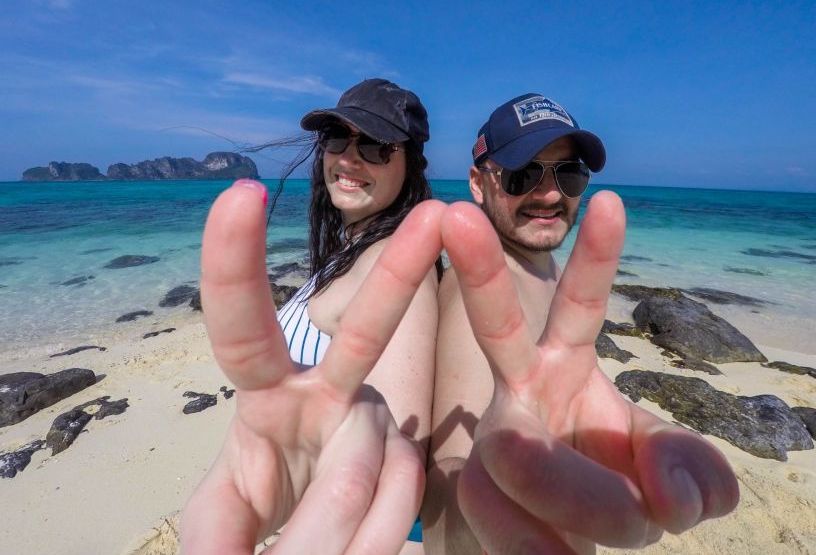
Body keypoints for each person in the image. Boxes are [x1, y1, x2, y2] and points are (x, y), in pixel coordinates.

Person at [423, 94, 740, 554]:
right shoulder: (477, 291)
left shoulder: (548, 269)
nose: (550, 194)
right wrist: (486, 501)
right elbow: (446, 471)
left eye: (568, 174)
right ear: (478, 182)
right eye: (522, 174)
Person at [181, 79, 442, 554]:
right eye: (336, 138)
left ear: (411, 164)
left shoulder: (395, 269)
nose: (348, 157)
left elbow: (398, 449)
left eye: (376, 146)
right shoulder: (350, 251)